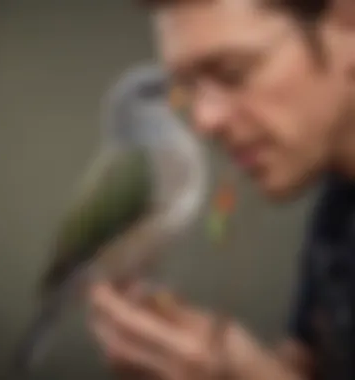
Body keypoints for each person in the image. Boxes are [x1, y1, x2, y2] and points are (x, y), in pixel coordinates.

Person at [88, 1, 355, 379]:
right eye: (189, 88)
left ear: (348, 23)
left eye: (232, 74)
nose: (203, 120)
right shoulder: (336, 207)